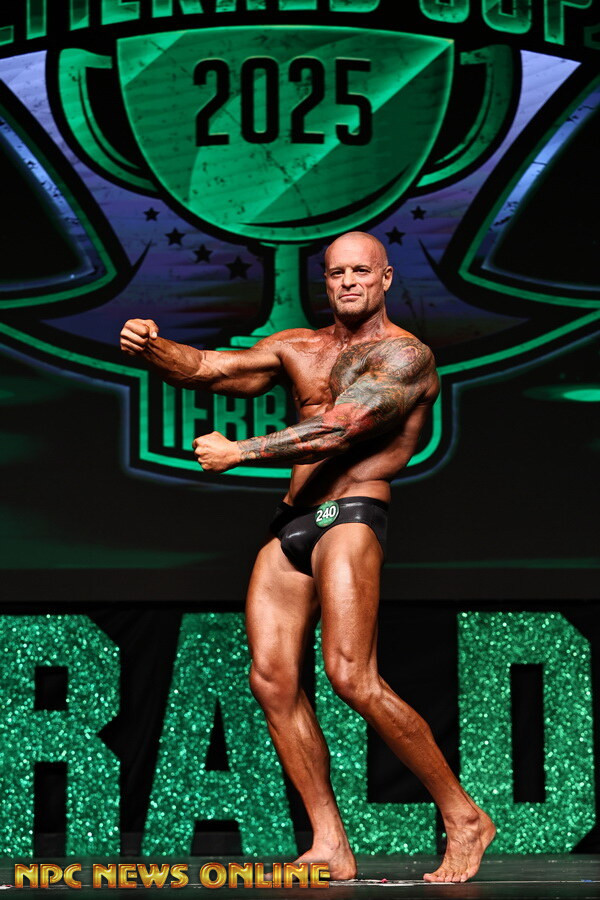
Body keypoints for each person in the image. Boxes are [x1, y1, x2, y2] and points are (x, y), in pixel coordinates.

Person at [120, 231, 495, 883]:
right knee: (271, 681)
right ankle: (329, 842)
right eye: (336, 273)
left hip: (351, 513)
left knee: (351, 676)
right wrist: (154, 347)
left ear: (385, 278)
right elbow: (209, 368)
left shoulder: (405, 356)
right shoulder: (299, 346)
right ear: (325, 281)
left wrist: (241, 451)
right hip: (292, 522)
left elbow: (341, 428)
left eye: (361, 271)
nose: (348, 282)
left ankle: (464, 817)